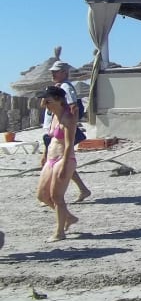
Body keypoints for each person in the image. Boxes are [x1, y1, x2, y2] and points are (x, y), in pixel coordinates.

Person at [36, 85, 81, 242]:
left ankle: (59, 232)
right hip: (51, 158)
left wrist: (63, 165)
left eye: (47, 99)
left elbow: (69, 144)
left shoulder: (68, 117)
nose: (44, 102)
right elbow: (50, 139)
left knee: (57, 197)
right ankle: (68, 217)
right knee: (42, 195)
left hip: (64, 159)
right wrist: (44, 155)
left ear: (58, 99)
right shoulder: (53, 117)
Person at [42, 61, 91, 202]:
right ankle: (82, 189)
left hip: (61, 132)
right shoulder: (57, 87)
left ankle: (49, 195)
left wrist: (70, 126)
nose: (53, 73)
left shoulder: (66, 87)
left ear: (64, 72)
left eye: (56, 71)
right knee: (58, 161)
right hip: (53, 130)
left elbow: (73, 107)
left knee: (58, 162)